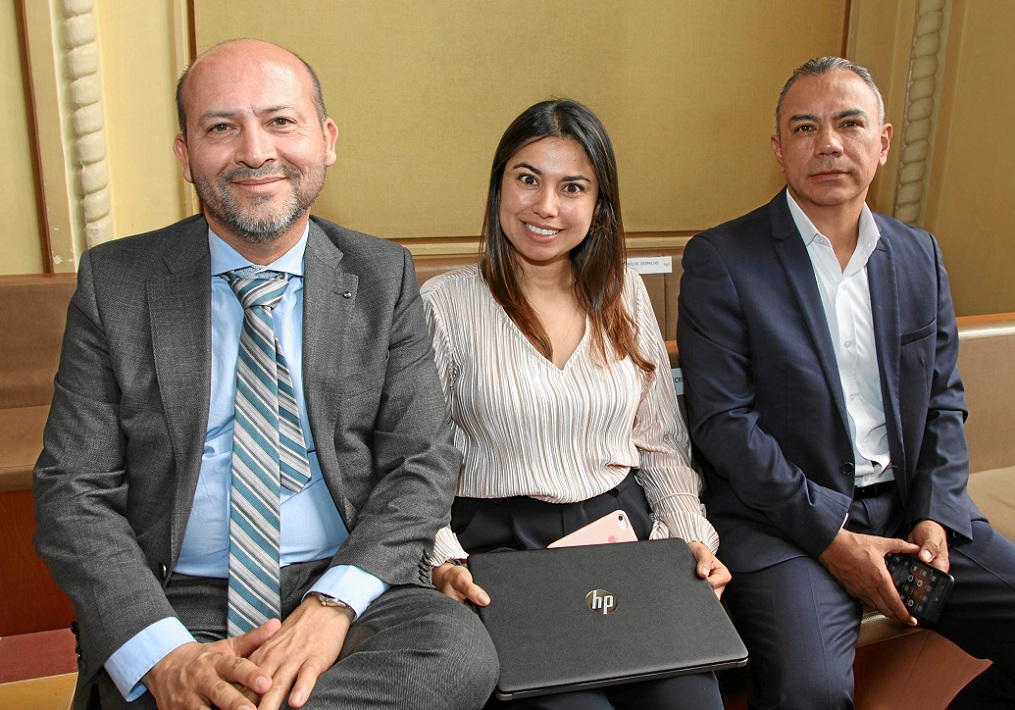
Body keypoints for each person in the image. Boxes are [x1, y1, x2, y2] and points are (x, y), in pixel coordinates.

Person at [32, 38, 498, 710]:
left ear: (326, 140)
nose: (255, 152)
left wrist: (333, 604)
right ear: (185, 154)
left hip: (345, 584)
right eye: (221, 127)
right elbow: (72, 488)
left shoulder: (381, 275)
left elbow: (421, 461)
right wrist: (163, 655)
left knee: (456, 659)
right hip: (176, 595)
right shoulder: (118, 283)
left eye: (281, 121)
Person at [678, 56, 1015, 709]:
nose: (828, 142)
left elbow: (943, 400)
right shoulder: (723, 258)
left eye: (848, 123)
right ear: (779, 150)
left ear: (882, 142)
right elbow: (724, 425)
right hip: (782, 520)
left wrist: (935, 512)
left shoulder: (919, 255)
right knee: (809, 691)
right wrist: (833, 538)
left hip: (908, 505)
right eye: (805, 128)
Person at [421, 99, 730, 710]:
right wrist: (443, 562)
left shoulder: (625, 293)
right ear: (499, 186)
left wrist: (689, 539)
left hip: (624, 541)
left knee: (691, 701)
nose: (546, 206)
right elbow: (415, 464)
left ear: (599, 205)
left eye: (573, 187)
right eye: (528, 179)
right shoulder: (446, 306)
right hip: (504, 554)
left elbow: (659, 444)